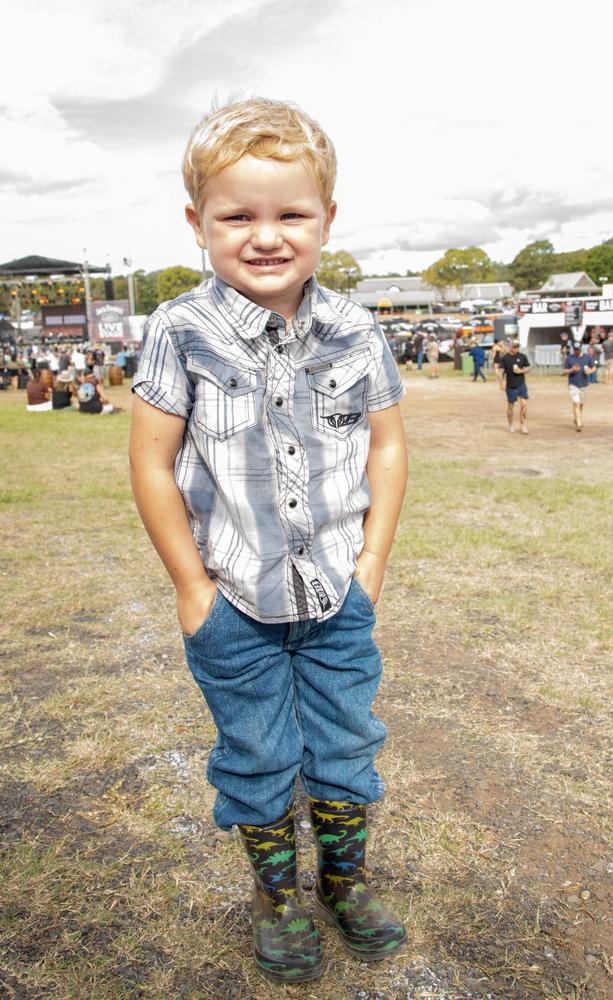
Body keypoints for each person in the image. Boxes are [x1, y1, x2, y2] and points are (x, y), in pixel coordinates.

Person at [129, 97, 408, 984]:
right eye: (236, 215)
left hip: (336, 596)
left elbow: (390, 445)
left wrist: (370, 565)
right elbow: (150, 463)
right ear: (196, 223)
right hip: (234, 600)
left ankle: (346, 879)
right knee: (256, 752)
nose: (266, 235)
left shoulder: (359, 331)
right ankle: (277, 892)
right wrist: (190, 588)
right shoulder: (180, 330)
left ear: (328, 218)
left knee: (344, 744)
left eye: (291, 213)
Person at [499, 339, 530, 434]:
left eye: (518, 346)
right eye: (515, 346)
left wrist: (521, 371)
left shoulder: (522, 356)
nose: (517, 348)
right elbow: (501, 372)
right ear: (510, 347)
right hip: (510, 385)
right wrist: (501, 383)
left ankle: (523, 425)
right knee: (511, 407)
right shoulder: (505, 358)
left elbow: (528, 368)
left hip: (521, 384)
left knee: (524, 404)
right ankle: (511, 424)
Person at [563, 340, 595, 432]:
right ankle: (579, 424)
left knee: (581, 405)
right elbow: (565, 371)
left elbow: (593, 367)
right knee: (576, 403)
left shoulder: (587, 357)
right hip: (573, 384)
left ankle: (576, 418)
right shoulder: (569, 358)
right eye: (575, 349)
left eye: (578, 349)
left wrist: (590, 371)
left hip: (584, 385)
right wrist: (572, 370)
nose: (577, 351)